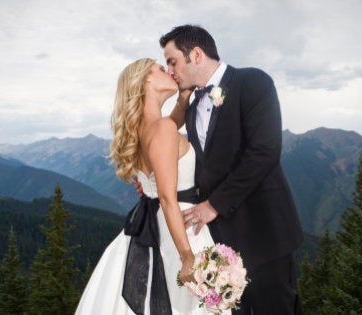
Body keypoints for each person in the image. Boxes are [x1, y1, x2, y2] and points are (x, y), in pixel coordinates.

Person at [160, 24, 304, 314]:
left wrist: (214, 204)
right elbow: (199, 162)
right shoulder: (190, 105)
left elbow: (264, 152)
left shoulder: (254, 82)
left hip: (265, 235)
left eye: (172, 61)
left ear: (196, 55)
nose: (170, 71)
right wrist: (151, 177)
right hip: (221, 245)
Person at [75, 58, 228, 314]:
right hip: (182, 226)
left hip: (150, 228)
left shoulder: (140, 132)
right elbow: (167, 198)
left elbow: (167, 132)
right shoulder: (163, 129)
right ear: (146, 80)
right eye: (160, 68)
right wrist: (187, 256)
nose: (168, 71)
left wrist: (182, 102)